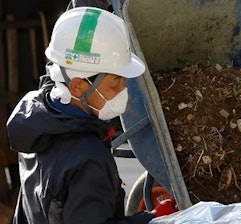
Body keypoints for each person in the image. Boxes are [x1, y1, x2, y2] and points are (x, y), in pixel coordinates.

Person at [6, 7, 176, 223]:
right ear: (78, 86)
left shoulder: (37, 118)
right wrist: (153, 219)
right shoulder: (87, 159)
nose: (123, 89)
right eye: (115, 82)